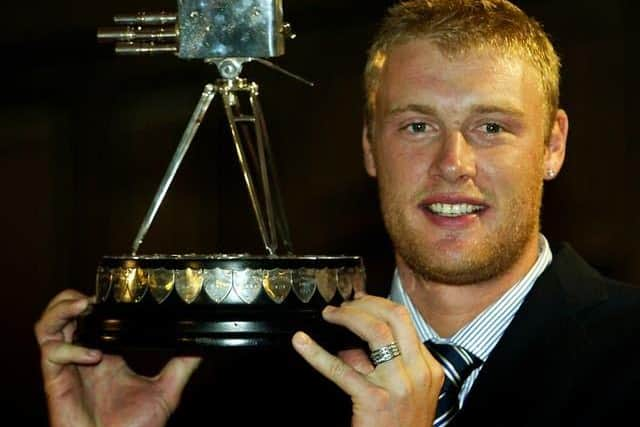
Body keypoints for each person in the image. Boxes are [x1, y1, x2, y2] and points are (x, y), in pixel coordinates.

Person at [35, 0, 639, 426]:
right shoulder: (261, 379)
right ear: (371, 148)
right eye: (418, 125)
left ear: (553, 146)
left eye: (490, 126)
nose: (453, 163)